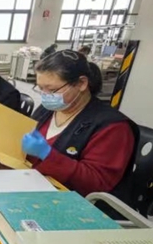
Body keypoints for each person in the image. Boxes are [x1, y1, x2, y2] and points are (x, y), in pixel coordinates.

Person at [22, 50, 139, 199]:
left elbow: (96, 183)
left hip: (75, 200)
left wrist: (47, 154)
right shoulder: (47, 110)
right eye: (40, 88)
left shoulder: (113, 127)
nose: (45, 95)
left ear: (81, 83)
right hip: (36, 184)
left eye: (52, 90)